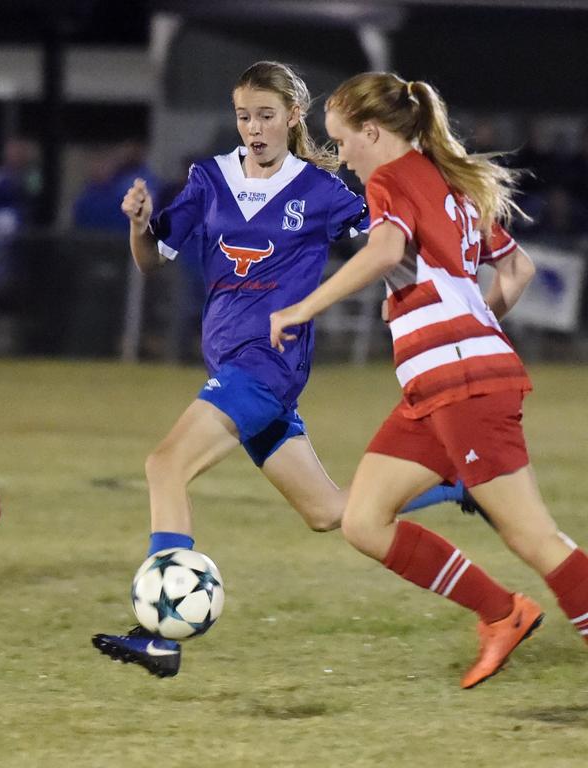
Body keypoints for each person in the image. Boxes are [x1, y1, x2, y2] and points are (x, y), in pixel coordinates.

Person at [91, 61, 474, 678]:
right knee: (329, 513)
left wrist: (446, 274)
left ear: (294, 116)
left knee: (165, 465)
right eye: (244, 116)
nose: (254, 128)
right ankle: (461, 485)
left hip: (266, 366)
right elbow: (152, 259)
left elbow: (390, 238)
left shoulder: (322, 192)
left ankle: (160, 636)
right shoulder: (209, 179)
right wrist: (138, 225)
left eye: (267, 115)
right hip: (236, 366)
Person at [270, 72, 588, 688]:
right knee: (363, 521)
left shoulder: (392, 178)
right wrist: (461, 320)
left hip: (462, 386)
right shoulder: (450, 181)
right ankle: (502, 614)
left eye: (343, 144)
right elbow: (516, 270)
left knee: (531, 535)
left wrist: (302, 307)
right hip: (438, 387)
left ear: (372, 132)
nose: (343, 160)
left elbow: (386, 252)